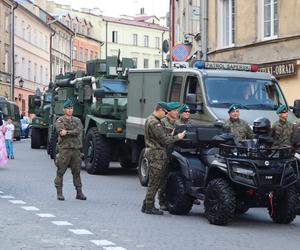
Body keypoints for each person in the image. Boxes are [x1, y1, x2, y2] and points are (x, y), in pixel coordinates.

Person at [142, 101, 186, 215]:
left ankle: (146, 204)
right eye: (165, 112)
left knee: (155, 181)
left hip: (155, 153)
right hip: (157, 155)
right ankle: (149, 207)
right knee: (155, 182)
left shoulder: (151, 119)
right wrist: (178, 137)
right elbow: (165, 140)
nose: (165, 114)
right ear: (160, 110)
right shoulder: (155, 123)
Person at [54, 99, 86, 201]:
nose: (70, 110)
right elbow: (60, 131)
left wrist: (67, 132)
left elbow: (78, 131)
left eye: (71, 108)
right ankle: (59, 192)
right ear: (64, 110)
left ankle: (79, 192)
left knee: (77, 172)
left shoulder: (77, 120)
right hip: (65, 149)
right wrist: (69, 132)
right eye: (68, 108)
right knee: (60, 171)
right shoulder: (60, 120)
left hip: (76, 149)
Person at [159, 101, 182, 211]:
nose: (177, 113)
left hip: (175, 154)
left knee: (172, 179)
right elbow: (163, 139)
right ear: (169, 111)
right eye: (175, 111)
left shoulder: (178, 123)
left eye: (178, 111)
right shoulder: (162, 122)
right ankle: (161, 201)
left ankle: (171, 200)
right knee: (163, 179)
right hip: (164, 153)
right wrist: (174, 135)